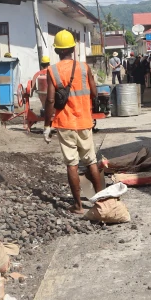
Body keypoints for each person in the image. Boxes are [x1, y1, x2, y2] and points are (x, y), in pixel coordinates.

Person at [43, 30, 104, 214]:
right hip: (84, 121)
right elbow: (94, 93)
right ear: (72, 48)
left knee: (72, 164)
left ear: (57, 50)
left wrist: (47, 125)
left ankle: (78, 206)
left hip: (65, 123)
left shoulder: (52, 70)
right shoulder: (84, 68)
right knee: (91, 161)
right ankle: (101, 202)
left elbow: (50, 100)